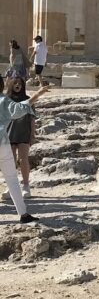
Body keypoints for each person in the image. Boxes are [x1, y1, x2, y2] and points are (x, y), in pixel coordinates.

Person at [0, 78, 49, 223]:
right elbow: (19, 109)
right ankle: (23, 214)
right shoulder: (4, 101)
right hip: (3, 144)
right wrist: (37, 95)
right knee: (12, 180)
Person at [6, 72, 34, 200]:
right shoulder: (5, 100)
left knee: (23, 160)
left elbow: (32, 119)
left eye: (20, 84)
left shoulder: (28, 99)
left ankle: (26, 186)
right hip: (8, 134)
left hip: (24, 133)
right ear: (11, 85)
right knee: (10, 162)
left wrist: (32, 135)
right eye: (15, 83)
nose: (17, 85)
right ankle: (11, 187)